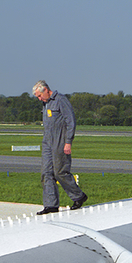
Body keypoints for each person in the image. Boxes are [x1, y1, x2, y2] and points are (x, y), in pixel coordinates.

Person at [32, 80, 87, 215]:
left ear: (46, 90)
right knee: (46, 173)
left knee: (60, 172)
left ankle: (78, 196)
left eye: (39, 96)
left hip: (60, 141)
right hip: (47, 141)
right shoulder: (45, 104)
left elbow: (71, 121)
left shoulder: (60, 100)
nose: (39, 99)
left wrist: (68, 142)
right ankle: (51, 205)